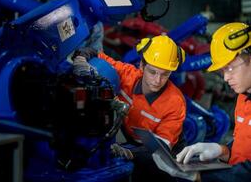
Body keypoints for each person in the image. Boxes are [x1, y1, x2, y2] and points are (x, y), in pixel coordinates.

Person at [72, 35, 187, 181]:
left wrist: (131, 153)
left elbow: (160, 149)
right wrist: (81, 58)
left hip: (166, 152)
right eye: (152, 72)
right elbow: (93, 52)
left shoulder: (175, 102)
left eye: (165, 74)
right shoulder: (127, 75)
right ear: (142, 66)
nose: (158, 80)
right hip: (133, 140)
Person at [152, 22, 251, 182]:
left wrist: (200, 177)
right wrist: (222, 150)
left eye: (230, 68)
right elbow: (246, 148)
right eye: (222, 71)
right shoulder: (244, 96)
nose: (226, 78)